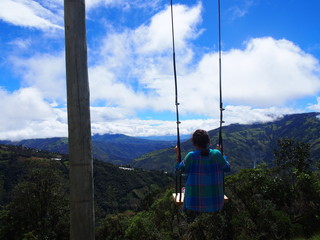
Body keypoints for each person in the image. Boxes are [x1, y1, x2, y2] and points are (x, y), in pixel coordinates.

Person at [175, 129, 230, 213]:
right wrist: (221, 155)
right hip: (216, 205)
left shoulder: (191, 156)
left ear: (194, 143)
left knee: (185, 190)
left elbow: (178, 171)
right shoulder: (216, 154)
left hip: (193, 205)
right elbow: (227, 168)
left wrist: (177, 155)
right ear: (208, 141)